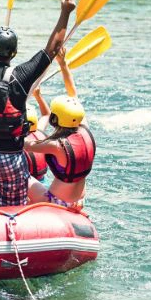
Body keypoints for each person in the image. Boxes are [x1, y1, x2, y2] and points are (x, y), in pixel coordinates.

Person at [0, 0, 76, 207]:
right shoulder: (22, 76)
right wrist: (65, 12)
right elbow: (52, 49)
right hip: (10, 156)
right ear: (13, 53)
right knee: (12, 206)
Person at [26, 49, 96, 209]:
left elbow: (23, 144)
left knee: (23, 175)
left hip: (56, 201)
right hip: (79, 201)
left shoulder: (56, 145)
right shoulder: (84, 129)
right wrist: (63, 64)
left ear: (55, 119)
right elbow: (73, 94)